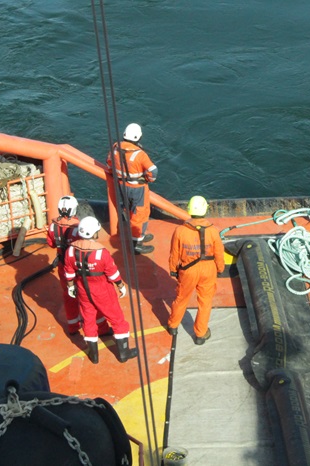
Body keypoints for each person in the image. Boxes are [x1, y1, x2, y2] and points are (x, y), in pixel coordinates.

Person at [63, 216, 139, 364]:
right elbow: (112, 272)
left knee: (88, 319)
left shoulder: (71, 251)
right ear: (94, 233)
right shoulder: (101, 253)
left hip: (82, 289)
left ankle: (94, 355)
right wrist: (120, 286)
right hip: (102, 290)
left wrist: (71, 286)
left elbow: (69, 271)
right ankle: (123, 353)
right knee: (117, 319)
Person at [167, 196, 225, 344]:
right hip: (208, 269)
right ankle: (200, 334)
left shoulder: (180, 231)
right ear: (205, 210)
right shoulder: (213, 231)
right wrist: (220, 268)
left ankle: (173, 326)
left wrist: (173, 269)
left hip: (188, 270)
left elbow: (174, 253)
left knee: (181, 298)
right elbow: (219, 252)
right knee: (205, 302)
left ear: (189, 210)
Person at [107, 123, 157, 254]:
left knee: (131, 211)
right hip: (138, 189)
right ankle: (136, 244)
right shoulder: (140, 154)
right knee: (139, 214)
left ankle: (139, 235)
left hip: (122, 186)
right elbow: (153, 171)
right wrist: (148, 179)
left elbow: (109, 163)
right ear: (138, 137)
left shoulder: (115, 148)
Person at [46, 195, 82, 334]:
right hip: (78, 266)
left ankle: (73, 326)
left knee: (69, 295)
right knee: (86, 295)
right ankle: (96, 326)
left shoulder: (52, 226)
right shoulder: (78, 228)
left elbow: (51, 243)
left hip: (63, 265)